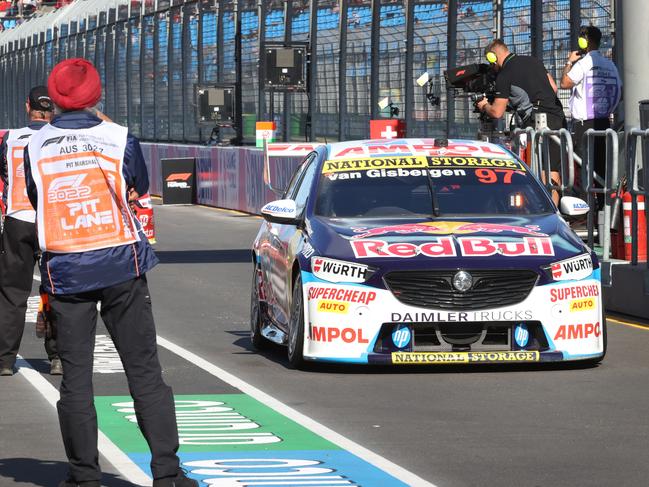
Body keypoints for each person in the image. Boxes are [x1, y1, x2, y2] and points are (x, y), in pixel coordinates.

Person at [23, 58, 197, 487]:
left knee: (76, 379)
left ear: (55, 97)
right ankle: (167, 474)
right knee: (144, 371)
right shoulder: (118, 137)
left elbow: (35, 195)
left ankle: (84, 476)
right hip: (121, 263)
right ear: (97, 95)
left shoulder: (34, 143)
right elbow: (136, 184)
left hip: (66, 267)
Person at [0, 85, 62, 376]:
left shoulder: (10, 138)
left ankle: (4, 360)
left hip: (18, 220)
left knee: (12, 293)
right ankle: (58, 357)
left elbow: (4, 173)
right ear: (53, 109)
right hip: (53, 221)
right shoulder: (60, 138)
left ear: (28, 107)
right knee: (58, 291)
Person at [476, 39, 566, 204]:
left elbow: (496, 112)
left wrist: (483, 106)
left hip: (536, 122)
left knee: (536, 171)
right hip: (557, 117)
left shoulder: (505, 74)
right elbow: (553, 87)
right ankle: (557, 212)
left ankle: (541, 209)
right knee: (552, 169)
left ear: (491, 57)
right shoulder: (533, 61)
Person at [560, 25, 621, 195]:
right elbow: (620, 92)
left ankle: (583, 211)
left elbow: (565, 83)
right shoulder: (610, 65)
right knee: (601, 168)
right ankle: (602, 209)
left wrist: (569, 62)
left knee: (582, 168)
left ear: (584, 41)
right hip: (604, 121)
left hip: (584, 124)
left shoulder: (584, 63)